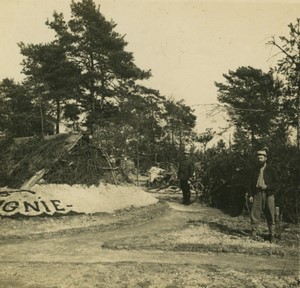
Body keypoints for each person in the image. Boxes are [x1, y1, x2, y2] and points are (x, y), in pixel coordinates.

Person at [248, 147, 280, 243]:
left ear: (265, 158)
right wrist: (250, 195)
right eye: (258, 158)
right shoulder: (254, 170)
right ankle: (253, 234)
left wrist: (267, 186)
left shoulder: (272, 170)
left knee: (270, 214)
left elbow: (277, 183)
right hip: (257, 194)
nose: (259, 160)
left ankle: (272, 235)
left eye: (261, 158)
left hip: (269, 194)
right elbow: (249, 183)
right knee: (255, 213)